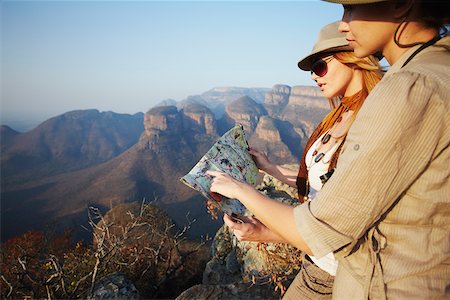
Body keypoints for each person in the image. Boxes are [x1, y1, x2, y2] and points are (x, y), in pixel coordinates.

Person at [208, 0, 450, 298]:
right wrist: (272, 175)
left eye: (350, 8)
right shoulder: (428, 74)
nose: (344, 23)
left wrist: (242, 190)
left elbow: (329, 229)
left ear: (401, 5)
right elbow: (339, 195)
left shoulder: (409, 90)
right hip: (343, 270)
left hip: (376, 284)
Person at [215, 21, 383, 299]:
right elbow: (328, 191)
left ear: (351, 57)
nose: (315, 77)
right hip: (316, 263)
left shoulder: (370, 119)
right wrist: (274, 171)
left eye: (320, 65)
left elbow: (336, 228)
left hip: (340, 275)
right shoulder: (339, 115)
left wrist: (240, 190)